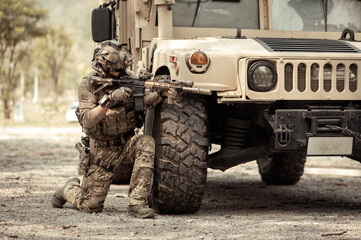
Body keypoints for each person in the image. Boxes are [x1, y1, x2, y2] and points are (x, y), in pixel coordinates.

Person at [51, 40, 176, 218]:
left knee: (146, 143)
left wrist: (160, 94)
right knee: (90, 205)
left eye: (122, 69)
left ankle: (137, 203)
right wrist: (109, 99)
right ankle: (69, 189)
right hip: (102, 150)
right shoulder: (88, 84)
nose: (120, 73)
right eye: (115, 70)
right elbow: (87, 120)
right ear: (102, 67)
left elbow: (145, 101)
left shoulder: (128, 76)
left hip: (127, 143)